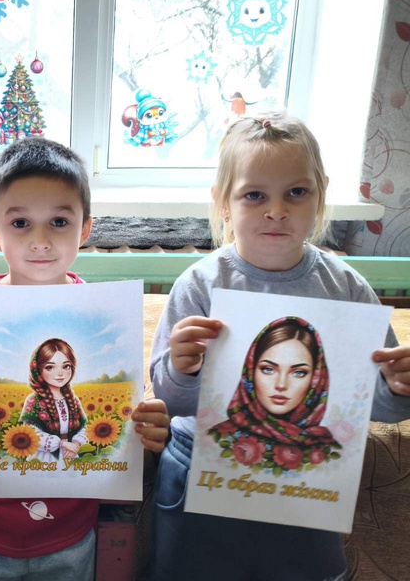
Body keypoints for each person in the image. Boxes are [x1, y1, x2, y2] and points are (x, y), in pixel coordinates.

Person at [148, 112, 410, 580]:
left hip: (307, 483)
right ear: (223, 202)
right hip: (199, 469)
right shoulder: (200, 284)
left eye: (296, 192)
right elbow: (172, 402)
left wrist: (397, 386)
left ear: (320, 194)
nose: (276, 210)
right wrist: (182, 369)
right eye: (254, 195)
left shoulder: (346, 288)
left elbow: (378, 410)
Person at [0, 137, 171, 580]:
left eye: (59, 222)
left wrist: (145, 423)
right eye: (20, 223)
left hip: (71, 527)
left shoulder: (107, 315)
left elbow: (124, 412)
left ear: (85, 229)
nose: (40, 241)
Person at [209, 317, 341, 472]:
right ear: (250, 371)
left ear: (316, 379)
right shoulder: (216, 439)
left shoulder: (329, 450)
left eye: (298, 372)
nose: (281, 385)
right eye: (268, 369)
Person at [20, 338, 89, 462]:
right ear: (38, 370)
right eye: (50, 367)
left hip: (70, 454)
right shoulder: (34, 400)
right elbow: (30, 433)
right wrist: (62, 444)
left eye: (66, 366)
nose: (60, 373)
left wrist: (76, 443)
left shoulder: (72, 400)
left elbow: (84, 427)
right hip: (44, 457)